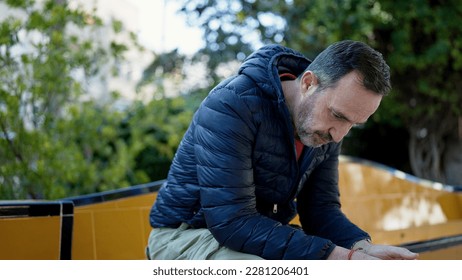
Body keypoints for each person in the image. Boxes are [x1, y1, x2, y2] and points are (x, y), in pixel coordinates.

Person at [147, 40, 419, 260]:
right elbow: (232, 222)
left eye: (353, 124)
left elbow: (320, 210)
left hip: (255, 235)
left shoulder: (326, 130)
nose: (339, 134)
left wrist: (361, 248)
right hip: (185, 234)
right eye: (337, 115)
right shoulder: (231, 105)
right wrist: (338, 257)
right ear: (309, 83)